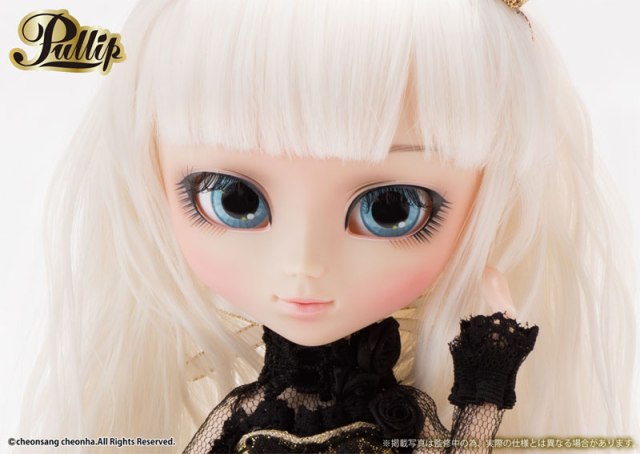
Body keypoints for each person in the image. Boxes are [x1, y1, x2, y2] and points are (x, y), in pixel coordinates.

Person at [19, 0, 637, 452]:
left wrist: (487, 375)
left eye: (391, 207)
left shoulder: (396, 417)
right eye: (234, 199)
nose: (304, 266)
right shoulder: (245, 411)